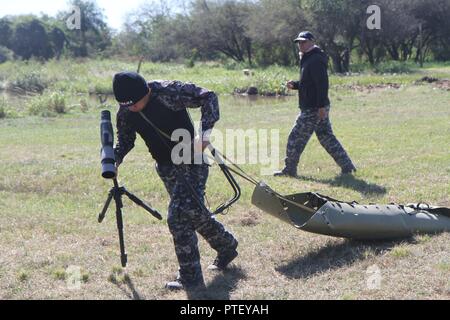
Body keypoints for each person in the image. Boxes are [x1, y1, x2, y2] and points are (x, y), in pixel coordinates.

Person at [112, 72, 238, 292]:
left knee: (178, 216)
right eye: (126, 105)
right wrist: (115, 159)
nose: (131, 109)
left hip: (192, 160)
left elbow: (209, 97)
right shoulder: (126, 109)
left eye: (134, 103)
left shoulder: (169, 91)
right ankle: (226, 245)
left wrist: (205, 134)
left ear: (146, 92)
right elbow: (125, 140)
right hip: (166, 168)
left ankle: (190, 279)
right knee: (194, 213)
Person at [275, 31, 356, 177]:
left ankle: (289, 170)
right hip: (315, 106)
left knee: (295, 137)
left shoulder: (315, 59)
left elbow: (322, 84)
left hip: (313, 108)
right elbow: (309, 83)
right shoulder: (308, 58)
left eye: (304, 42)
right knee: (326, 137)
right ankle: (347, 166)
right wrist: (296, 85)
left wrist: (321, 107)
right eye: (299, 42)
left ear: (312, 42)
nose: (301, 44)